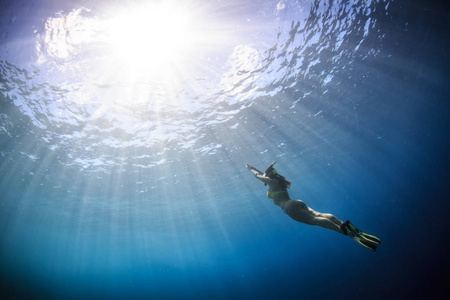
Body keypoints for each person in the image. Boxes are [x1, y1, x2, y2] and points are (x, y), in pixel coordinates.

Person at [246, 162, 381, 251]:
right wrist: (255, 167)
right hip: (296, 202)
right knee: (319, 215)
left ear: (268, 176)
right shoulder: (277, 180)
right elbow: (263, 174)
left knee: (314, 221)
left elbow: (258, 176)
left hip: (289, 207)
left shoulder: (270, 181)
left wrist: (250, 169)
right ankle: (343, 224)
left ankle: (344, 231)